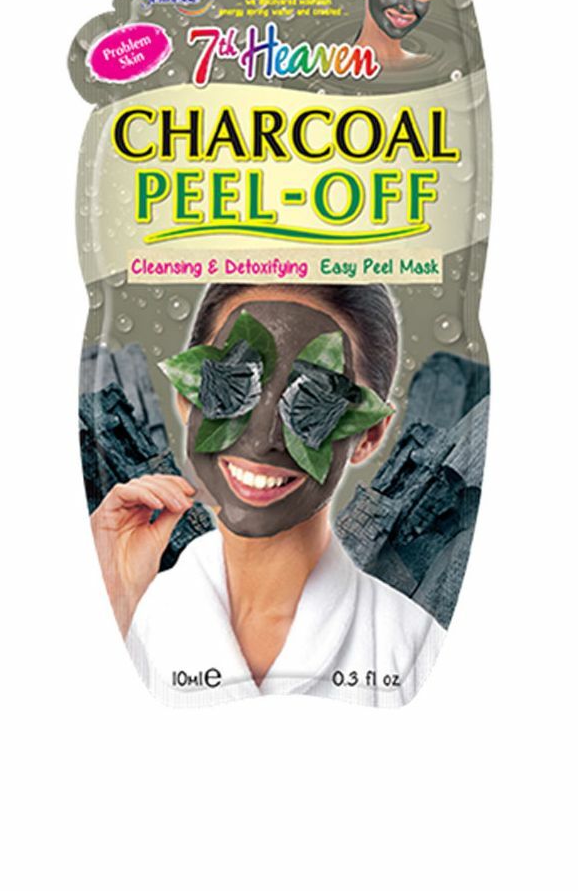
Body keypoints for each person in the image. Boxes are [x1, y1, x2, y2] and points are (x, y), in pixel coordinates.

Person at [89, 284, 445, 707]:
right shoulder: (131, 613)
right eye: (231, 385)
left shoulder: (418, 652)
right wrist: (113, 603)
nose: (262, 441)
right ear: (187, 396)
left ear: (368, 435)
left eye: (315, 398)